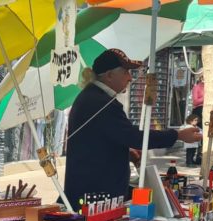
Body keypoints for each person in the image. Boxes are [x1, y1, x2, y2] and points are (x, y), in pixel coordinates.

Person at [64, 49, 202, 210]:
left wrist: (127, 152)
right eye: (125, 72)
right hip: (94, 193)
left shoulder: (94, 97)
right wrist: (177, 135)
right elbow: (133, 137)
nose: (130, 77)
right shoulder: (99, 102)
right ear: (109, 75)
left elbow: (100, 139)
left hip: (93, 188)